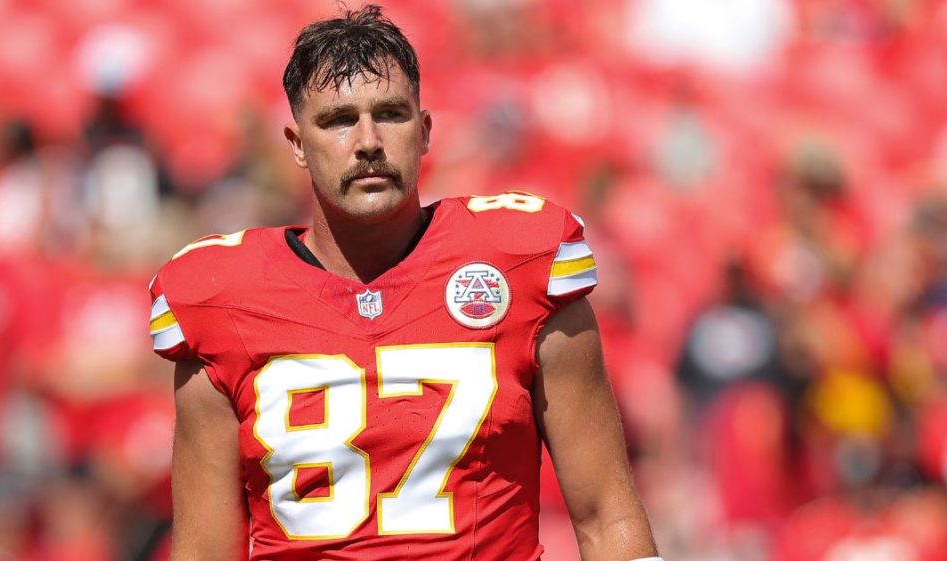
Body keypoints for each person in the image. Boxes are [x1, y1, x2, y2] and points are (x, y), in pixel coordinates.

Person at [149, 5, 660, 560]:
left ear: (424, 132)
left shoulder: (520, 263)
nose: (368, 141)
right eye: (339, 120)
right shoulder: (220, 298)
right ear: (297, 143)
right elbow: (203, 551)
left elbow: (606, 514)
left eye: (389, 114)